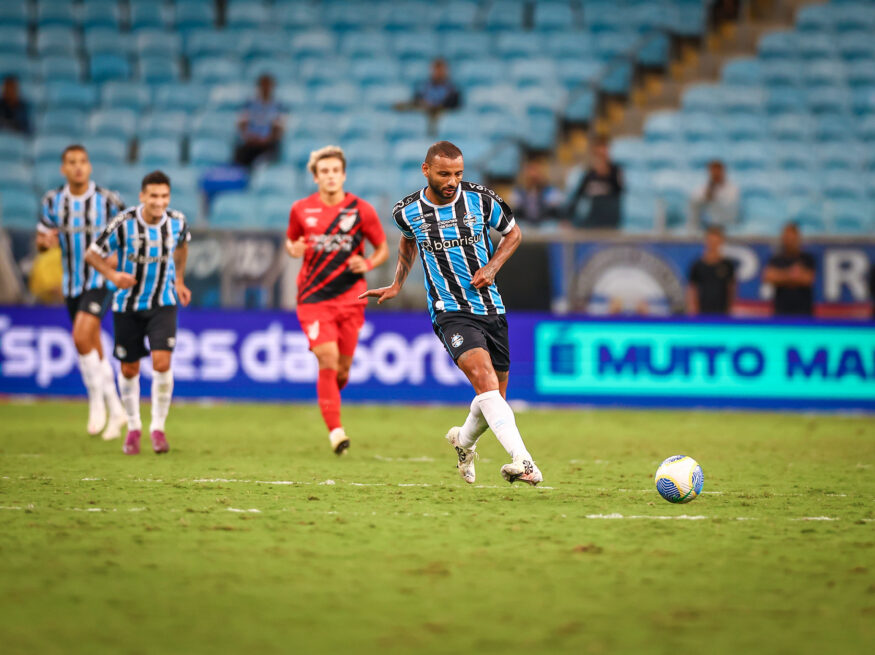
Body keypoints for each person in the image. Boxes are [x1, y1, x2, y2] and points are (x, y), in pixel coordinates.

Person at [360, 141, 543, 486]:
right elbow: (408, 240)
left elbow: (513, 233)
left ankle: (463, 440)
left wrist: (492, 267)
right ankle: (524, 462)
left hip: (491, 307)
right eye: (444, 174)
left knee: (494, 400)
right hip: (449, 311)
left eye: (458, 173)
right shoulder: (407, 211)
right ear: (426, 170)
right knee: (486, 383)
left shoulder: (481, 199)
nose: (452, 181)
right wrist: (398, 283)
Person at [285, 146, 389, 455]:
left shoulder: (361, 210)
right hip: (312, 297)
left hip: (351, 298)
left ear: (343, 175)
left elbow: (382, 248)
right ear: (315, 177)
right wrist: (294, 249)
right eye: (324, 172)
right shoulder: (301, 209)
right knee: (327, 359)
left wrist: (368, 264)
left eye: (335, 171)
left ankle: (328, 399)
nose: (330, 176)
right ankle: (336, 431)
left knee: (341, 370)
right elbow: (292, 242)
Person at [85, 171, 191, 455]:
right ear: (142, 196)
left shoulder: (178, 222)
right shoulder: (123, 223)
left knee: (161, 362)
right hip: (127, 305)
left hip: (163, 302)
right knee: (129, 368)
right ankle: (133, 427)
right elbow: (92, 253)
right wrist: (112, 274)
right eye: (154, 196)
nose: (159, 202)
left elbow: (182, 246)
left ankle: (158, 427)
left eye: (164, 196)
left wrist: (179, 280)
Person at [36, 145, 126, 440]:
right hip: (71, 284)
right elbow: (42, 238)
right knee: (91, 342)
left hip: (100, 281)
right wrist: (44, 244)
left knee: (79, 336)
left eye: (83, 162)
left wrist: (118, 258)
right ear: (63, 168)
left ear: (89, 167)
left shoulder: (108, 200)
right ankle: (116, 408)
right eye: (72, 162)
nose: (78, 167)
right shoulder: (52, 202)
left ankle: (96, 401)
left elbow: (129, 235)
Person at [566, 137, 623, 228]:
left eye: (603, 155)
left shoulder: (615, 172)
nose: (601, 158)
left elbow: (620, 192)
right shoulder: (589, 175)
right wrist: (567, 218)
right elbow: (578, 196)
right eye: (598, 155)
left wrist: (607, 174)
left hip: (610, 220)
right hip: (593, 221)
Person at [762, 222, 816, 317]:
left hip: (804, 314)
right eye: (787, 237)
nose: (789, 241)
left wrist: (781, 277)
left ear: (798, 238)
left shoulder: (807, 259)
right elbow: (768, 277)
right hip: (781, 313)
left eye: (792, 238)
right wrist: (792, 274)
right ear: (782, 238)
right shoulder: (776, 259)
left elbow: (808, 279)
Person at [233, 74, 285, 168]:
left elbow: (279, 129)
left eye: (268, 85)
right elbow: (242, 124)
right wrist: (248, 137)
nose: (265, 88)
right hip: (251, 142)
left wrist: (267, 139)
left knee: (266, 160)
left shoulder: (278, 106)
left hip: (267, 145)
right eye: (263, 85)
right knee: (239, 156)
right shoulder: (249, 104)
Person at [687, 225, 737, 315]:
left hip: (722, 313)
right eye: (710, 241)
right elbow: (692, 289)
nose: (713, 244)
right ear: (706, 242)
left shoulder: (728, 265)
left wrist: (729, 310)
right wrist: (694, 310)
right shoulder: (697, 265)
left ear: (721, 242)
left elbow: (731, 289)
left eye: (715, 241)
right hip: (702, 313)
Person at [510, 157, 564, 226]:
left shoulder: (550, 191)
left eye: (536, 171)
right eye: (531, 171)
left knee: (552, 225)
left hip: (544, 224)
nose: (533, 175)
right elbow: (515, 209)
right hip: (525, 224)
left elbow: (556, 210)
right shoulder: (519, 192)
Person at [689, 160, 739, 229]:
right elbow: (694, 202)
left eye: (718, 171)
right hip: (706, 223)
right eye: (713, 172)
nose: (716, 174)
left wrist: (714, 197)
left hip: (726, 222)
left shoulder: (732, 189)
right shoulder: (702, 188)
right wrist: (706, 197)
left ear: (723, 172)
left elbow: (730, 207)